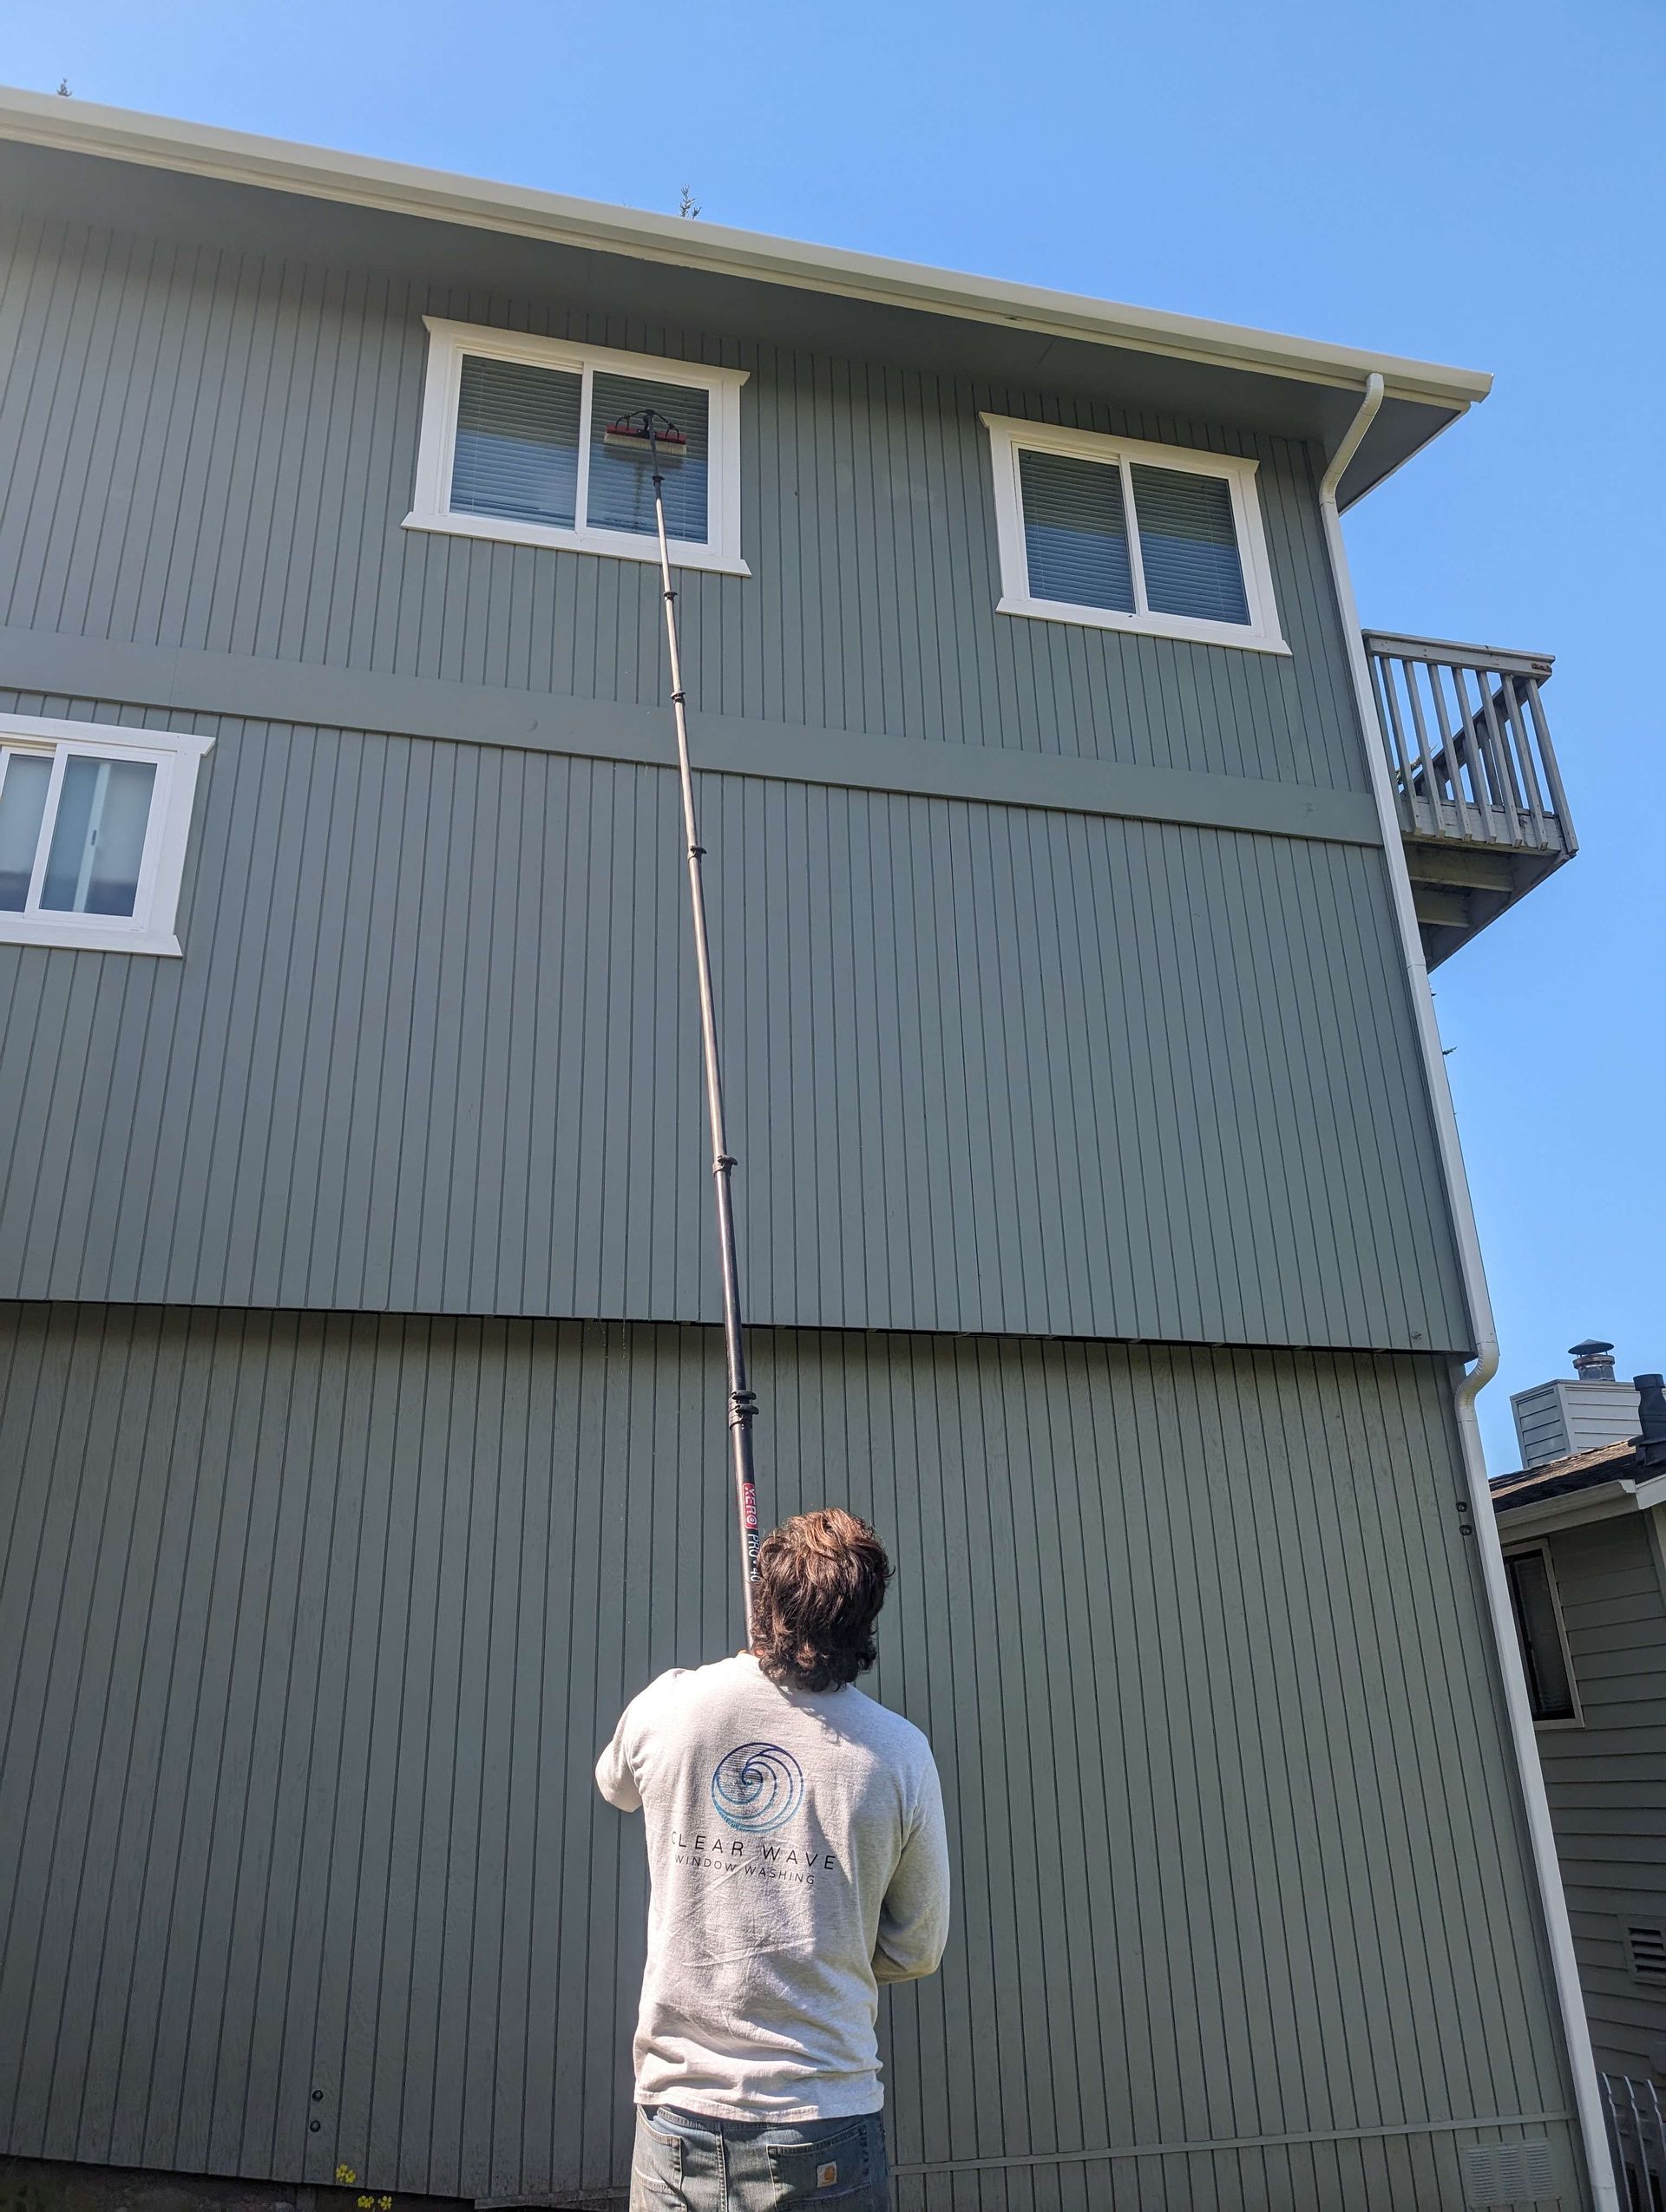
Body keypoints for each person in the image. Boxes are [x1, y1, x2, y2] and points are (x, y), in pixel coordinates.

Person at [595, 1508, 950, 2212]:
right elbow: (918, 1949)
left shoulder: (670, 1706)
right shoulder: (900, 1755)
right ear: (866, 1619)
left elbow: (616, 1787)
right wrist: (828, 1947)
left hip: (676, 2118)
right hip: (825, 2122)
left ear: (768, 1599)